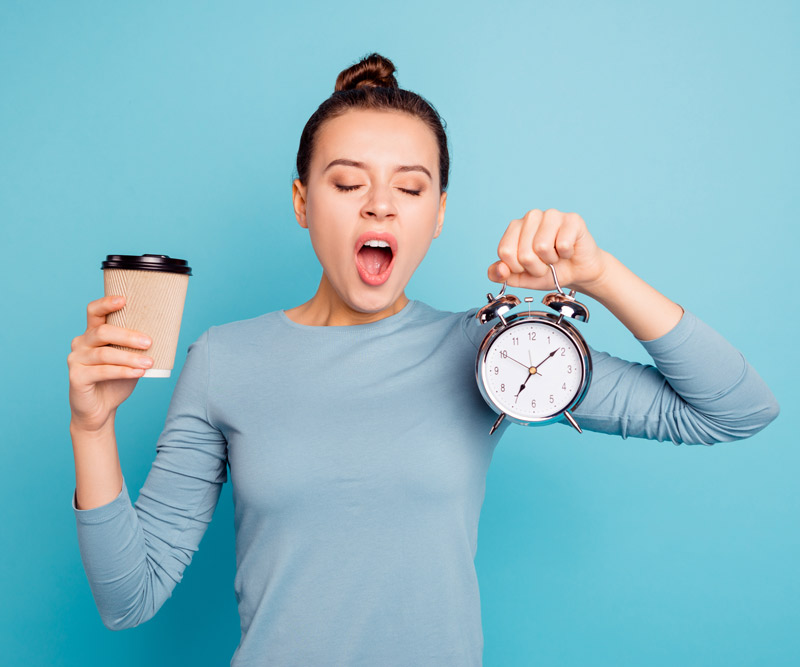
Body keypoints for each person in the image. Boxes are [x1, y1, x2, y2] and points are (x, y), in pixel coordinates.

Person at [68, 53, 779, 666]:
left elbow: (734, 409)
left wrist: (598, 274)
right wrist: (93, 429)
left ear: (437, 213)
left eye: (409, 188)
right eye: (347, 184)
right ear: (302, 202)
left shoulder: (492, 349)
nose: (380, 206)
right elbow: (129, 598)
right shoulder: (224, 359)